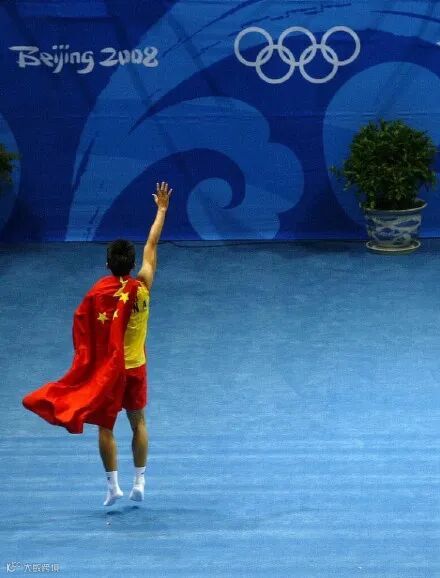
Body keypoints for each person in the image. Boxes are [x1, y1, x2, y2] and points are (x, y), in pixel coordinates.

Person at [22, 181, 172, 507]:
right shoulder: (143, 285)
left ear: (108, 265)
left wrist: (85, 359)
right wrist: (161, 210)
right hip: (136, 368)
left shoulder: (99, 293)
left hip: (109, 373)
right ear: (132, 264)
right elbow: (152, 243)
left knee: (105, 427)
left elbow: (84, 324)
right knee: (138, 422)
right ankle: (140, 480)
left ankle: (112, 486)